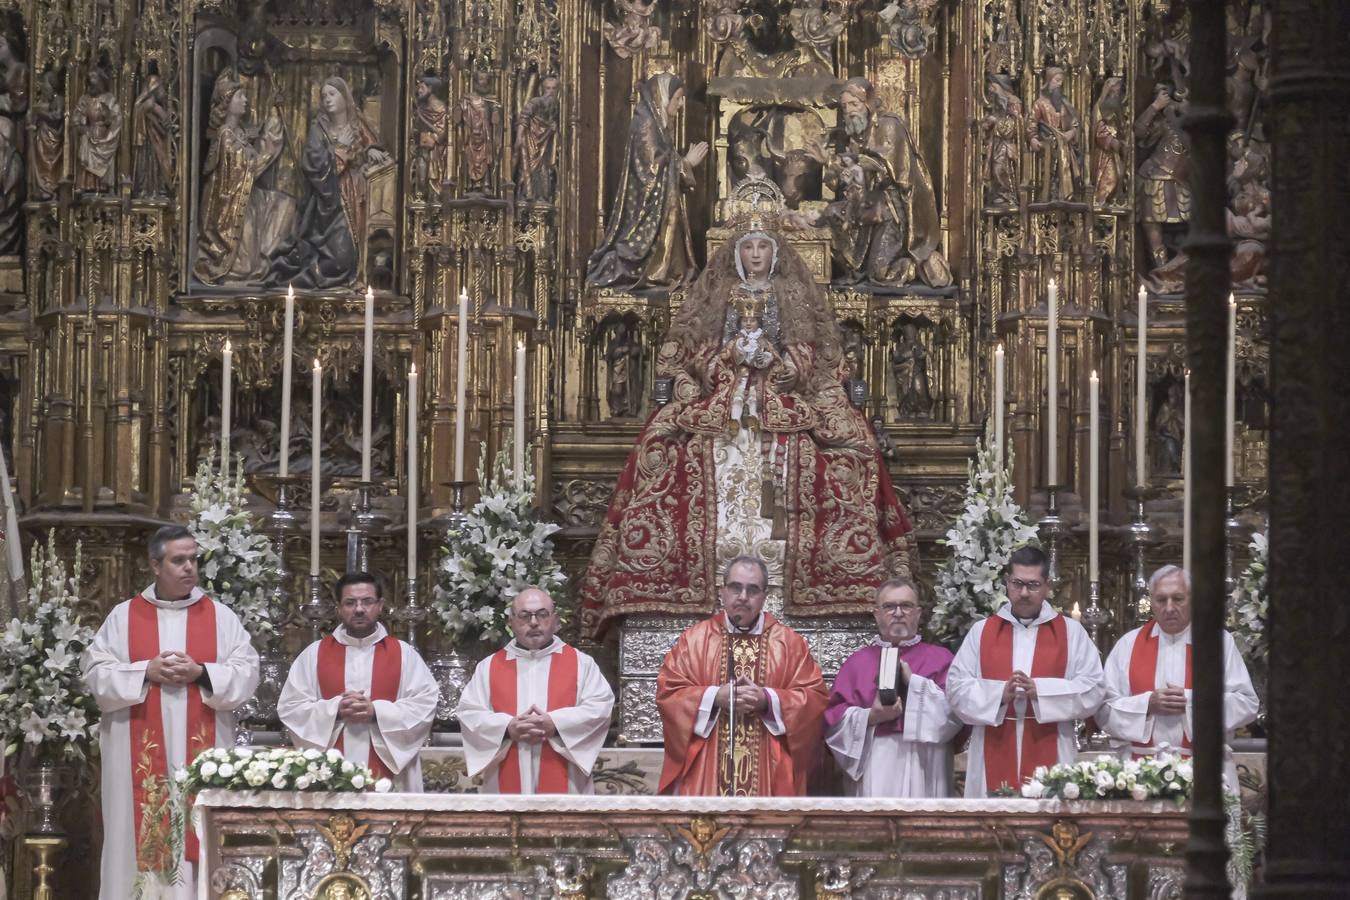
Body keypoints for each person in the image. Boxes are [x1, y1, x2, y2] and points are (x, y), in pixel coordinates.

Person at [579, 223, 917, 634]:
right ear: (736, 254)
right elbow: (687, 359)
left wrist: (781, 363)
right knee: (659, 448)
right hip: (721, 403)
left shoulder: (792, 297)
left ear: (774, 255)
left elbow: (815, 356)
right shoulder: (716, 297)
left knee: (850, 450)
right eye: (748, 247)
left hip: (782, 402)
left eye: (762, 247)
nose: (755, 254)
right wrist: (728, 355)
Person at [82, 525, 260, 900]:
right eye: (178, 560)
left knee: (199, 833)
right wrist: (144, 671)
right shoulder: (123, 617)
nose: (189, 568)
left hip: (202, 759)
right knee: (138, 839)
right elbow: (95, 675)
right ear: (155, 565)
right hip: (139, 756)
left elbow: (247, 673)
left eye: (193, 559)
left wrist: (202, 673)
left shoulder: (221, 617)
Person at [656, 556, 828, 796]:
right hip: (707, 768)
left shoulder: (789, 644)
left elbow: (815, 699)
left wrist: (767, 700)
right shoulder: (695, 640)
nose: (743, 597)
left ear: (765, 597)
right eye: (736, 587)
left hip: (769, 768)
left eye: (753, 589)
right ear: (722, 592)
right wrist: (714, 697)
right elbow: (669, 694)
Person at [946, 546, 1105, 797]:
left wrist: (1041, 691)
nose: (1023, 593)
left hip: (1051, 742)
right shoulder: (982, 631)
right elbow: (956, 689)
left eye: (1033, 585)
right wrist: (999, 694)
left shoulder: (1071, 633)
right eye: (1017, 583)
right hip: (992, 743)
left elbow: (1094, 687)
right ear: (1007, 583)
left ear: (1046, 586)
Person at [1097, 565, 1258, 789]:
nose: (1169, 608)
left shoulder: (1218, 643)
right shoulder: (1128, 644)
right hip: (1138, 775)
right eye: (1161, 600)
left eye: (1178, 598)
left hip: (1206, 770)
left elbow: (1247, 704)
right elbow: (1103, 710)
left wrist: (1190, 701)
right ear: (1151, 602)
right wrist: (1147, 704)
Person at [277, 572, 439, 791]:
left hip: (391, 773)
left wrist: (376, 711)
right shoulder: (314, 654)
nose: (359, 609)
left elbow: (425, 704)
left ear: (380, 605)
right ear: (338, 608)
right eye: (350, 603)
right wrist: (335, 708)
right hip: (328, 772)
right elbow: (290, 708)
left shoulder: (404, 654)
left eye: (367, 601)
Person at [455, 587, 615, 793]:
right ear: (510, 622)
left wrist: (555, 724)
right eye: (524, 615)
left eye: (542, 614)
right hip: (505, 776)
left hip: (567, 780)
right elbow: (469, 712)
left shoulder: (582, 664)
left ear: (556, 620)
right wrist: (506, 727)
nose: (533, 622)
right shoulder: (488, 666)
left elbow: (600, 708)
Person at [824, 577, 961, 797]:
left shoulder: (941, 658)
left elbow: (956, 715)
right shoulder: (857, 663)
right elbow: (833, 722)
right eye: (889, 606)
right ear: (876, 614)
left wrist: (915, 683)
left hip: (926, 760)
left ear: (918, 613)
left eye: (906, 606)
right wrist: (871, 717)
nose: (898, 613)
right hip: (874, 760)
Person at [585, 73, 707, 290]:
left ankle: (664, 270)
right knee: (632, 253)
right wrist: (685, 163)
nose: (680, 105)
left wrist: (681, 164)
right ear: (663, 96)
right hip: (644, 207)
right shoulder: (646, 123)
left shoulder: (658, 124)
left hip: (658, 206)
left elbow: (662, 162)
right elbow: (651, 170)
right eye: (677, 98)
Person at [266, 76, 390, 288]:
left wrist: (372, 150)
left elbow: (371, 145)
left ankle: (360, 275)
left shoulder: (358, 125)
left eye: (332, 94)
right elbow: (313, 166)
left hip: (356, 195)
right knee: (337, 258)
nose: (327, 99)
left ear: (345, 97)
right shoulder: (318, 130)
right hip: (325, 203)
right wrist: (340, 150)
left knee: (352, 251)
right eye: (324, 96)